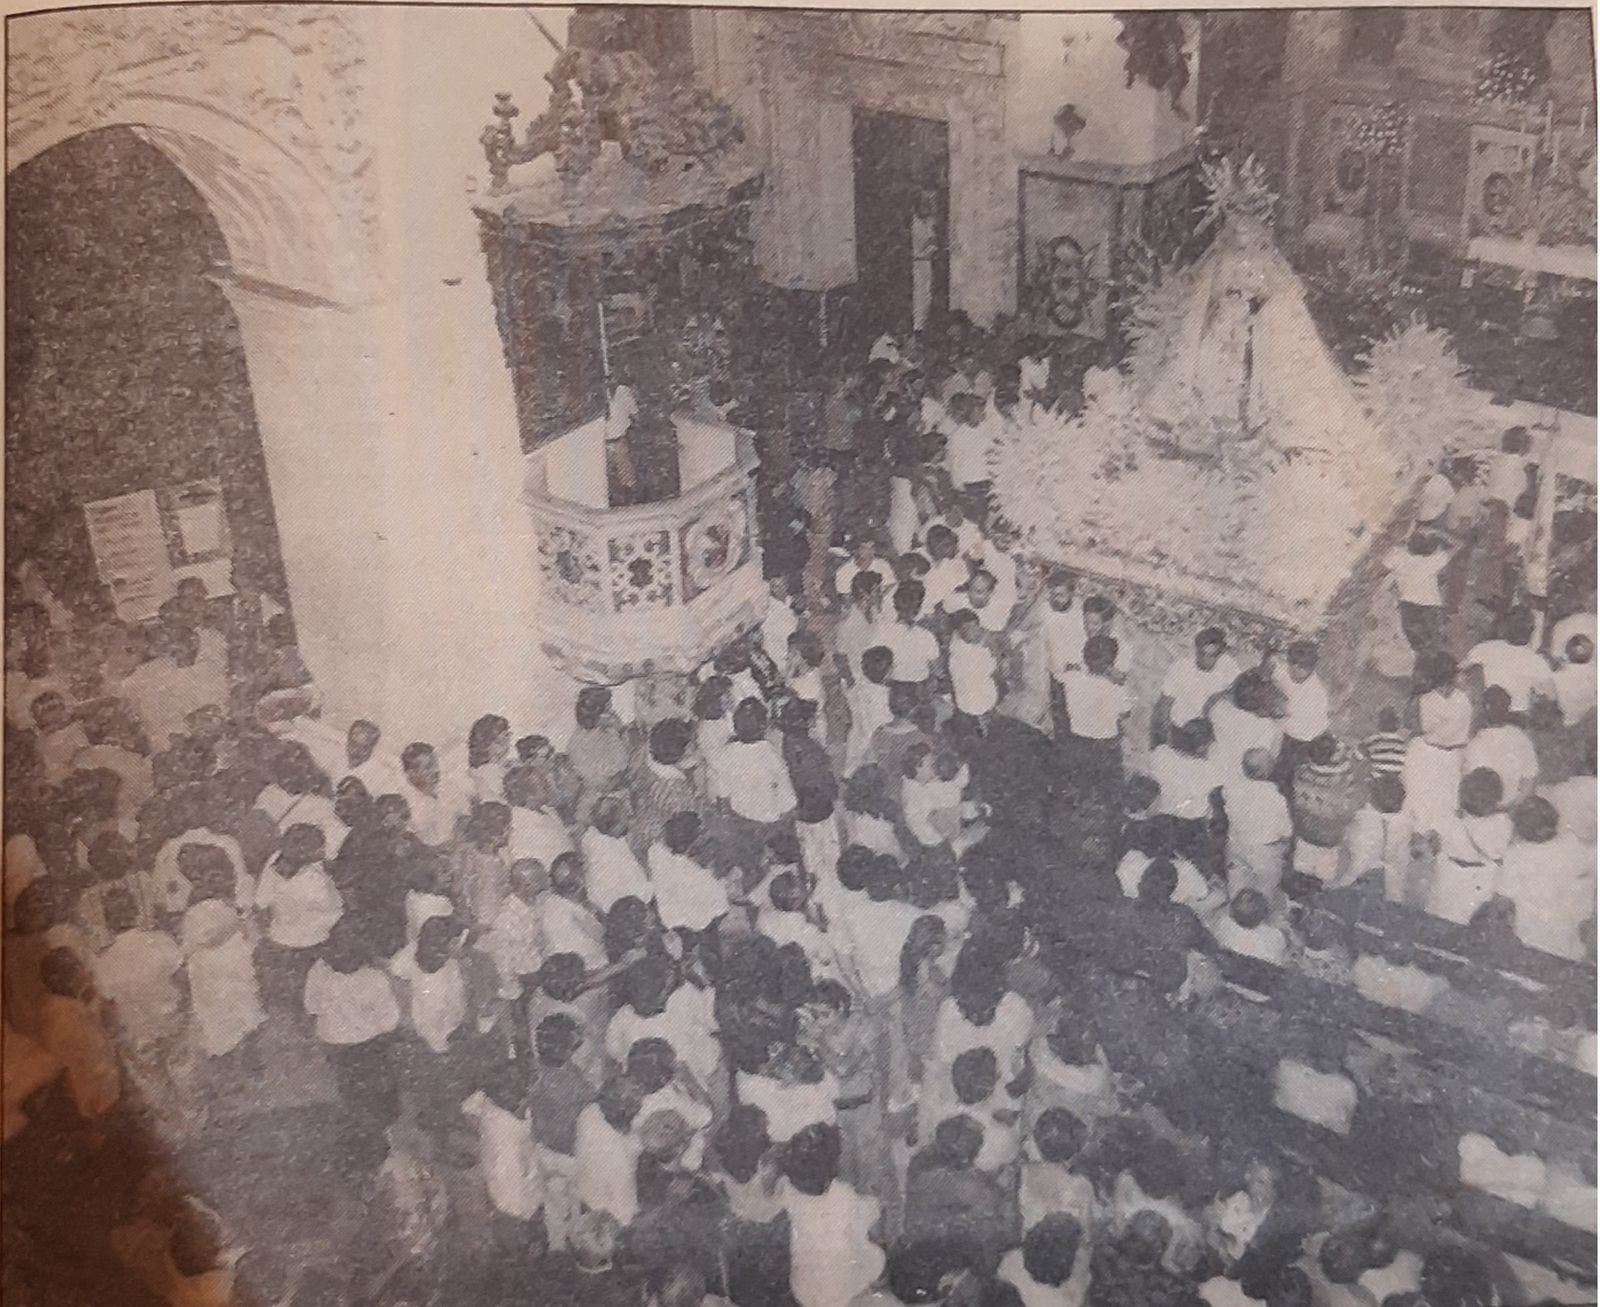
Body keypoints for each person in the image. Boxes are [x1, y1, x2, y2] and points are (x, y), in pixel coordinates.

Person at [780, 1122, 886, 1307]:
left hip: (813, 1287)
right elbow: (872, 1214)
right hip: (832, 1286)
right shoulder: (840, 1193)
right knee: (872, 1253)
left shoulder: (788, 1190)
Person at [252, 822, 341, 1012]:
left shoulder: (275, 860)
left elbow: (261, 901)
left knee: (290, 982)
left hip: (280, 936)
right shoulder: (314, 879)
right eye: (320, 846)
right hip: (313, 940)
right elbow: (334, 909)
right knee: (310, 982)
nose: (324, 849)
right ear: (306, 852)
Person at [1497, 796, 1593, 959]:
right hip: (1568, 936)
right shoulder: (1572, 843)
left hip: (1531, 936)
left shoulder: (1516, 854)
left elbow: (1502, 901)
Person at [709, 698, 797, 866]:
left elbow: (723, 796)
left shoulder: (725, 753)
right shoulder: (770, 754)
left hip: (741, 817)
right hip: (770, 819)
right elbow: (787, 799)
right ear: (763, 727)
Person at [1427, 768, 1512, 926]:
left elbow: (1434, 843)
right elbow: (1501, 854)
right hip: (1481, 881)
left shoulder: (1449, 817)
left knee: (1440, 920)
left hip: (1448, 875)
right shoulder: (1502, 822)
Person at [1402, 651, 1472, 835]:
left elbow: (1411, 726)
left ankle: (1420, 832)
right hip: (1456, 755)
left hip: (1429, 754)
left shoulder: (1423, 700)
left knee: (1423, 800)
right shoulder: (1464, 698)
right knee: (1448, 803)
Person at [1224, 747, 1293, 901]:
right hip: (1265, 850)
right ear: (1266, 772)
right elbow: (1286, 831)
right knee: (1265, 891)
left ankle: (1239, 915)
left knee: (1236, 888)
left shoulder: (1231, 790)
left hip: (1236, 845)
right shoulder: (1275, 798)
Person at [1154, 629, 1241, 747]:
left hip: (1212, 734)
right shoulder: (1181, 666)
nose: (1205, 660)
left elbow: (1240, 694)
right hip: (1182, 731)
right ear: (1196, 650)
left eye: (1211, 655)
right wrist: (1166, 738)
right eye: (1201, 653)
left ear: (1220, 654)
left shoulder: (1228, 665)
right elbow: (1164, 704)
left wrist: (1217, 697)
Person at [1464, 608, 1552, 718]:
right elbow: (1551, 697)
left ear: (1505, 627)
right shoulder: (1538, 661)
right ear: (1532, 630)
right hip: (1513, 718)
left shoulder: (1484, 648)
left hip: (1492, 715)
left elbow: (1459, 673)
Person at [1463, 686, 1540, 803]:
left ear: (1485, 708)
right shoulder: (1521, 737)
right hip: (1515, 808)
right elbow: (1531, 778)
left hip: (1486, 809)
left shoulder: (1476, 742)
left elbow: (1470, 784)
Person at [582, 796, 653, 914]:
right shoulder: (610, 855)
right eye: (625, 817)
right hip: (626, 912)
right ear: (613, 825)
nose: (629, 821)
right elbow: (643, 894)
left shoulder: (593, 836)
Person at [1273, 641, 1330, 785]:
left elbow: (1305, 732)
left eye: (1302, 666)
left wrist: (1278, 718)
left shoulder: (1316, 694)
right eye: (1292, 663)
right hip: (1281, 726)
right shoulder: (1282, 672)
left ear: (1311, 668)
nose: (1295, 669)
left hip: (1301, 740)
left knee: (1284, 776)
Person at [1387, 533, 1451, 652]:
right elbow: (1457, 545)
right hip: (1430, 607)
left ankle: (1423, 664)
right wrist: (1439, 532)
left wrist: (1399, 541)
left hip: (1409, 607)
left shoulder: (1399, 556)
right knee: (1434, 645)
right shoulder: (1433, 560)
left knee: (1416, 646)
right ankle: (1433, 666)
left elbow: (1385, 549)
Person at [950, 610, 1001, 722]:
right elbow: (991, 668)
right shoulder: (960, 649)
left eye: (976, 627)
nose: (975, 632)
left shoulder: (978, 642)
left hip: (981, 700)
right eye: (968, 629)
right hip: (972, 702)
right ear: (960, 632)